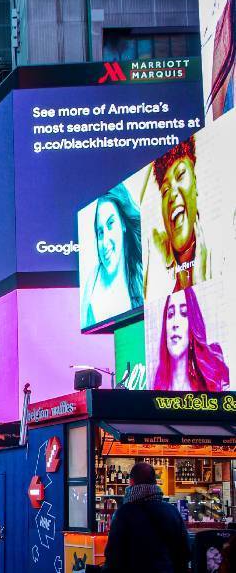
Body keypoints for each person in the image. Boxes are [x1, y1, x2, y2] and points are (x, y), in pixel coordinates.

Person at [143, 138, 211, 296]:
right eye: (165, 191)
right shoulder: (157, 286)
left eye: (180, 175)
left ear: (195, 182)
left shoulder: (221, 259)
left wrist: (201, 283)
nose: (172, 194)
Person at [81, 183, 143, 328]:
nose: (104, 242)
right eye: (100, 232)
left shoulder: (142, 273)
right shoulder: (92, 283)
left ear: (123, 223)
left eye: (110, 224)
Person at [152, 288, 230, 392]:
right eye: (170, 314)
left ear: (192, 324)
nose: (175, 323)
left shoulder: (215, 381)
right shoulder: (158, 384)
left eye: (184, 313)